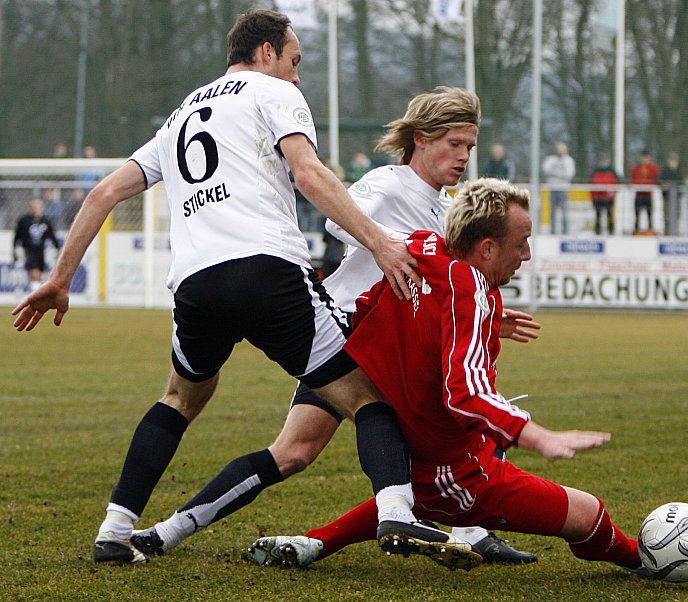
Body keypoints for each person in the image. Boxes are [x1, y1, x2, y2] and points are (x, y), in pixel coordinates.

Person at [12, 9, 459, 567]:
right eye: (295, 61)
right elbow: (309, 174)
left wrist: (59, 278)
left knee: (180, 397)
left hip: (195, 285)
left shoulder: (180, 115)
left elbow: (104, 192)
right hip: (268, 272)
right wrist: (382, 242)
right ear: (267, 52)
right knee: (368, 394)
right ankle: (396, 511)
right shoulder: (273, 94)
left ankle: (115, 527)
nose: (297, 76)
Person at [128, 87, 541, 566]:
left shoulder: (445, 207)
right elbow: (339, 224)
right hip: (345, 333)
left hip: (391, 347)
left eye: (469, 146)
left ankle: (464, 528)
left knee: (316, 448)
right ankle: (168, 531)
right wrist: (410, 245)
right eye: (454, 143)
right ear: (421, 140)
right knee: (295, 451)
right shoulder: (388, 183)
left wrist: (480, 316)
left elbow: (438, 284)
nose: (464, 156)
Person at [248, 179, 652, 579]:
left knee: (424, 489)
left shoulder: (425, 248)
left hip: (414, 455)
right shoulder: (473, 292)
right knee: (590, 513)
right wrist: (536, 435)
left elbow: (373, 304)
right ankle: (648, 561)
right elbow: (465, 395)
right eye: (522, 242)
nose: (527, 254)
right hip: (457, 475)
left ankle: (314, 542)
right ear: (488, 247)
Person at [13, 197, 60, 291]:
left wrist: (57, 249)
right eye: (34, 206)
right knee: (34, 273)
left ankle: (36, 292)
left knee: (39, 275)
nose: (36, 209)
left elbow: (52, 236)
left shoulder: (46, 221)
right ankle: (35, 294)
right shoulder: (24, 221)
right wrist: (15, 249)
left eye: (38, 206)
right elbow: (17, 236)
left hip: (41, 251)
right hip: (29, 250)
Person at [542, 141, 575, 234]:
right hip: (553, 188)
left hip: (564, 189)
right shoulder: (551, 159)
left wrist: (556, 172)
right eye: (559, 149)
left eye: (562, 149)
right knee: (552, 212)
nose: (560, 151)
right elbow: (546, 170)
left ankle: (565, 232)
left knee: (565, 212)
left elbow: (569, 174)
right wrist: (558, 172)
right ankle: (552, 231)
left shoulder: (569, 161)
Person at [630, 151, 659, 233]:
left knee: (649, 212)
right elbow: (633, 178)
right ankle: (636, 228)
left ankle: (650, 228)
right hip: (639, 193)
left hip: (648, 193)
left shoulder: (652, 167)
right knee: (637, 211)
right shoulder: (636, 167)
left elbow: (654, 178)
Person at [589, 156, 619, 235]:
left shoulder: (612, 171)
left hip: (608, 197)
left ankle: (611, 230)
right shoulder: (595, 171)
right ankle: (597, 230)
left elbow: (615, 183)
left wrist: (612, 195)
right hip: (598, 197)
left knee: (609, 214)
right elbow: (591, 184)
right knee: (598, 215)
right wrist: (593, 196)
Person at [659, 153, 682, 236]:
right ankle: (667, 233)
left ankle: (675, 232)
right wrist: (664, 185)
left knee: (676, 216)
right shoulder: (665, 172)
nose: (673, 163)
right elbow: (659, 181)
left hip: (676, 198)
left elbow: (682, 183)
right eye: (671, 161)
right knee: (667, 216)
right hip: (667, 198)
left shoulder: (679, 172)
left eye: (674, 161)